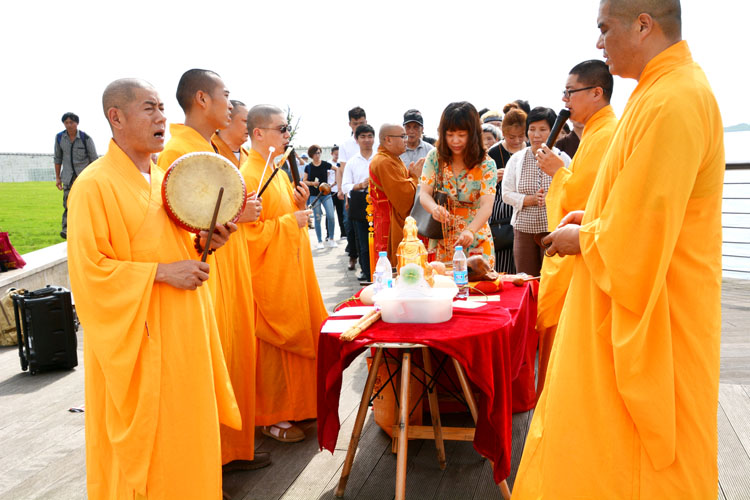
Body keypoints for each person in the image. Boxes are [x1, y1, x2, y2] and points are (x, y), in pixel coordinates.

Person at [514, 1, 724, 497]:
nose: (598, 41)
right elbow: (643, 203)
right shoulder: (658, 93)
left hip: (656, 314)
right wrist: (591, 218)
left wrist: (582, 237)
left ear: (644, 24)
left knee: (626, 462)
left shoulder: (675, 99)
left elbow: (645, 235)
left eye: (604, 28)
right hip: (624, 298)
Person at [67, 78, 241, 499]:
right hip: (140, 343)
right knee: (149, 450)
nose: (163, 117)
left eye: (163, 107)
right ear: (117, 117)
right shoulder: (93, 185)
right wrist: (162, 273)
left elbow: (176, 249)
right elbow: (90, 273)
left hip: (184, 334)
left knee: (188, 434)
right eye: (150, 108)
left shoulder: (166, 180)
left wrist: (204, 243)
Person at [157, 69, 269, 472]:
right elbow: (181, 225)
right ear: (202, 99)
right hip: (207, 273)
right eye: (225, 94)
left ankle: (233, 449)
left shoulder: (208, 149)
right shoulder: (178, 154)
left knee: (234, 354)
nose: (229, 102)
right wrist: (241, 211)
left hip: (229, 264)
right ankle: (213, 459)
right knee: (213, 362)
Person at [240, 104, 328, 443]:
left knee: (300, 338)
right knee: (273, 352)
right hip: (268, 279)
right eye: (281, 129)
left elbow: (280, 216)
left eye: (287, 129)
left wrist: (297, 205)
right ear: (259, 133)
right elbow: (246, 236)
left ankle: (298, 406)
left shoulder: (274, 170)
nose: (287, 135)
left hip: (290, 271)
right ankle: (270, 416)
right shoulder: (248, 175)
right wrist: (291, 222)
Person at [534, 59, 617, 396]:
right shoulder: (597, 131)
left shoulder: (605, 133)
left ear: (596, 92)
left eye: (571, 92)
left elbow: (586, 200)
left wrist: (557, 172)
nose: (565, 100)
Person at [419, 101, 497, 266]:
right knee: (444, 286)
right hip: (443, 238)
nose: (455, 141)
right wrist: (434, 208)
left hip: (475, 237)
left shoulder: (486, 164)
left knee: (479, 288)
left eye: (462, 135)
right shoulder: (435, 157)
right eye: (450, 134)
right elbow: (424, 194)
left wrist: (470, 230)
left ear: (473, 134)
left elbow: (486, 206)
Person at [501, 107, 571, 276]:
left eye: (542, 129)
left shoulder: (563, 158)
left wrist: (552, 197)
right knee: (526, 279)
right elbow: (506, 194)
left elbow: (571, 189)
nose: (536, 135)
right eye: (532, 129)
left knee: (551, 278)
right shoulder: (517, 159)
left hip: (553, 229)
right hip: (524, 230)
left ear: (553, 130)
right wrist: (528, 200)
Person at [369, 123, 423, 262]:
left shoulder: (392, 158)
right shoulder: (383, 161)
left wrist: (411, 176)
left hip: (392, 220)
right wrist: (415, 177)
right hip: (389, 225)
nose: (407, 139)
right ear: (388, 140)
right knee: (392, 266)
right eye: (402, 136)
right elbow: (404, 198)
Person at [487, 108, 528, 273]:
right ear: (503, 133)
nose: (517, 141)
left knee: (524, 258)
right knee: (503, 257)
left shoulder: (531, 149)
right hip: (501, 209)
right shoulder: (494, 152)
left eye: (521, 136)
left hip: (525, 205)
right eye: (512, 137)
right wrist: (493, 178)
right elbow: (484, 182)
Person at [54, 111, 97, 239]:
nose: (69, 125)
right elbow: (58, 158)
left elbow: (94, 160)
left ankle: (87, 229)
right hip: (67, 177)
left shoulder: (86, 138)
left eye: (71, 122)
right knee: (68, 203)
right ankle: (66, 230)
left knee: (84, 204)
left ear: (76, 123)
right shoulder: (60, 138)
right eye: (66, 123)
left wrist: (93, 179)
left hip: (83, 178)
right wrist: (58, 178)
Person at [342, 124, 376, 280]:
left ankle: (380, 269)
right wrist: (360, 185)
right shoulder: (352, 162)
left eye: (370, 136)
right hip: (360, 202)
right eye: (363, 137)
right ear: (356, 140)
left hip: (379, 202)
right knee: (362, 241)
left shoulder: (379, 158)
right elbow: (345, 186)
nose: (367, 140)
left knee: (380, 239)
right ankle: (366, 271)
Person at [337, 107, 369, 271]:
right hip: (354, 191)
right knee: (350, 224)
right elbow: (342, 169)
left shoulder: (373, 140)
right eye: (355, 124)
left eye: (362, 123)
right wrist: (346, 194)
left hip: (372, 193)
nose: (358, 126)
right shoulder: (346, 146)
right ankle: (353, 255)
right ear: (350, 124)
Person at [303, 144, 336, 249]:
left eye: (319, 153)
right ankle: (319, 241)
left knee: (331, 215)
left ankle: (331, 238)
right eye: (315, 153)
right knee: (317, 217)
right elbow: (304, 181)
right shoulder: (308, 167)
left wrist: (335, 183)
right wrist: (313, 183)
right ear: (311, 155)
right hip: (314, 195)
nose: (317, 155)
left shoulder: (325, 164)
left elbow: (337, 169)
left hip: (326, 193)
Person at [211, 99, 250, 167]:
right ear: (228, 120)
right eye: (245, 121)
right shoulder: (208, 149)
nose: (250, 127)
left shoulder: (248, 157)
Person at [329, 145, 346, 239]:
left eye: (338, 154)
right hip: (330, 192)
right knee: (330, 214)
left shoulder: (342, 163)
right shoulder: (328, 164)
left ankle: (343, 233)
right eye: (335, 154)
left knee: (341, 213)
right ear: (332, 154)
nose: (337, 156)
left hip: (340, 191)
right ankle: (329, 235)